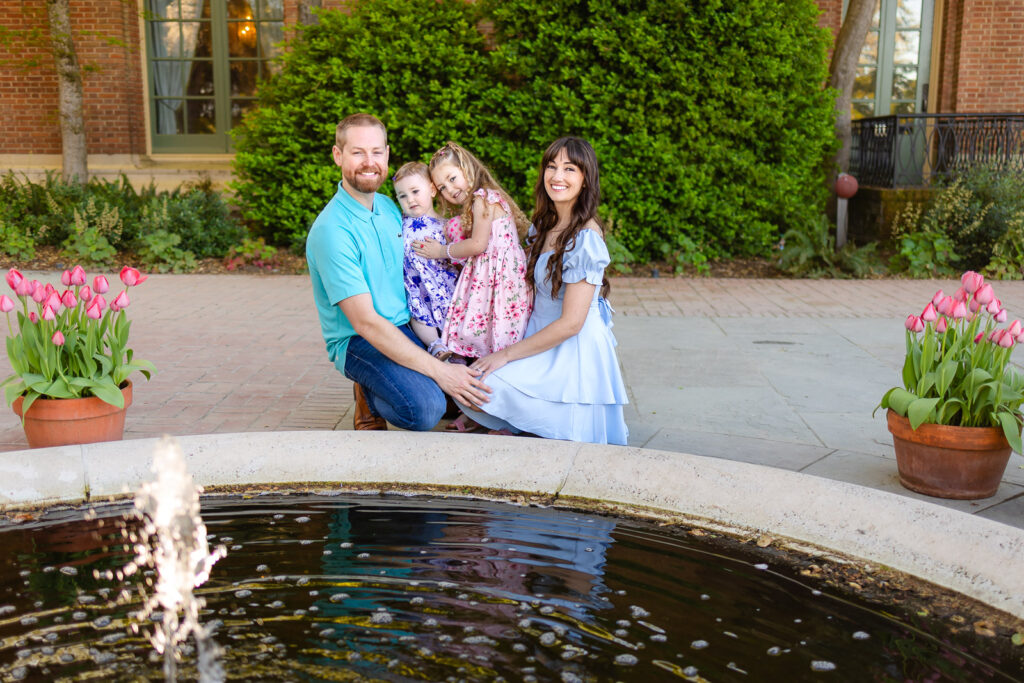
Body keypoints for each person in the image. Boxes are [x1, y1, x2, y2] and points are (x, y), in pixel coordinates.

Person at [305, 114, 490, 431]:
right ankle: (368, 393)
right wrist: (439, 371)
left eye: (376, 152)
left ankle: (405, 381)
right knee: (424, 409)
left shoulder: (392, 207)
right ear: (338, 156)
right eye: (357, 152)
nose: (369, 162)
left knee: (461, 397)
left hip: (408, 325)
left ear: (387, 155)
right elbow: (366, 323)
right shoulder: (332, 231)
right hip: (359, 340)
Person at [454, 137, 629, 445]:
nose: (557, 176)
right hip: (536, 335)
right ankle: (523, 428)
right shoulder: (544, 225)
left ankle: (542, 426)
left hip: (570, 348)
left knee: (483, 386)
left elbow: (572, 323)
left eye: (569, 169)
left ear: (586, 180)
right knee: (469, 387)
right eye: (552, 166)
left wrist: (504, 356)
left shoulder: (585, 238)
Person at [413, 142, 533, 362]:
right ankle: (475, 361)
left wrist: (441, 250)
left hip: (500, 276)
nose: (449, 190)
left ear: (466, 169)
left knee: (496, 322)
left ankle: (485, 365)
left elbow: (478, 244)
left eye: (452, 178)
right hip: (492, 273)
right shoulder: (479, 200)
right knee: (487, 321)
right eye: (442, 188)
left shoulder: (483, 199)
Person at [393, 161, 459, 361]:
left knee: (454, 318)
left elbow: (457, 254)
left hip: (444, 285)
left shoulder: (446, 225)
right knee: (420, 316)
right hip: (417, 286)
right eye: (402, 196)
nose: (410, 199)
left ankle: (459, 351)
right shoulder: (400, 223)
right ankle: (435, 346)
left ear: (431, 190)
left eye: (415, 191)